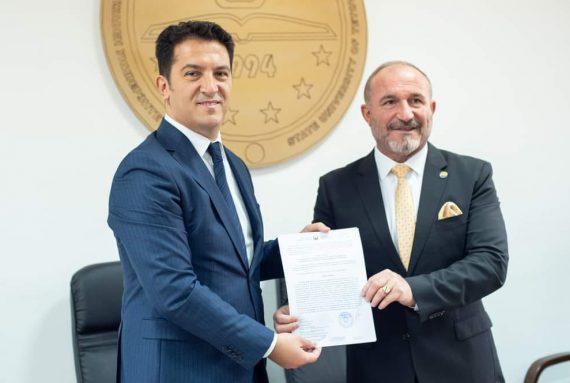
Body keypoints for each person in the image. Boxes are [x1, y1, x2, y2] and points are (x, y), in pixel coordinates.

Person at [108, 20, 326, 383]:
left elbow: (235, 260)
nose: (210, 86)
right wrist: (270, 345)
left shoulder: (232, 164)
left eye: (221, 73)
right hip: (178, 371)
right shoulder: (145, 171)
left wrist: (295, 251)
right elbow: (174, 291)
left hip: (238, 367)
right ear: (164, 85)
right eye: (193, 73)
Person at [274, 61, 509, 382]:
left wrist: (412, 289)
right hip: (377, 367)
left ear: (431, 108)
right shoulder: (336, 187)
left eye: (416, 100)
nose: (406, 113)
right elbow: (330, 276)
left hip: (461, 364)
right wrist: (301, 312)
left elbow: (490, 264)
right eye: (390, 102)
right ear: (367, 114)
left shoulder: (472, 175)